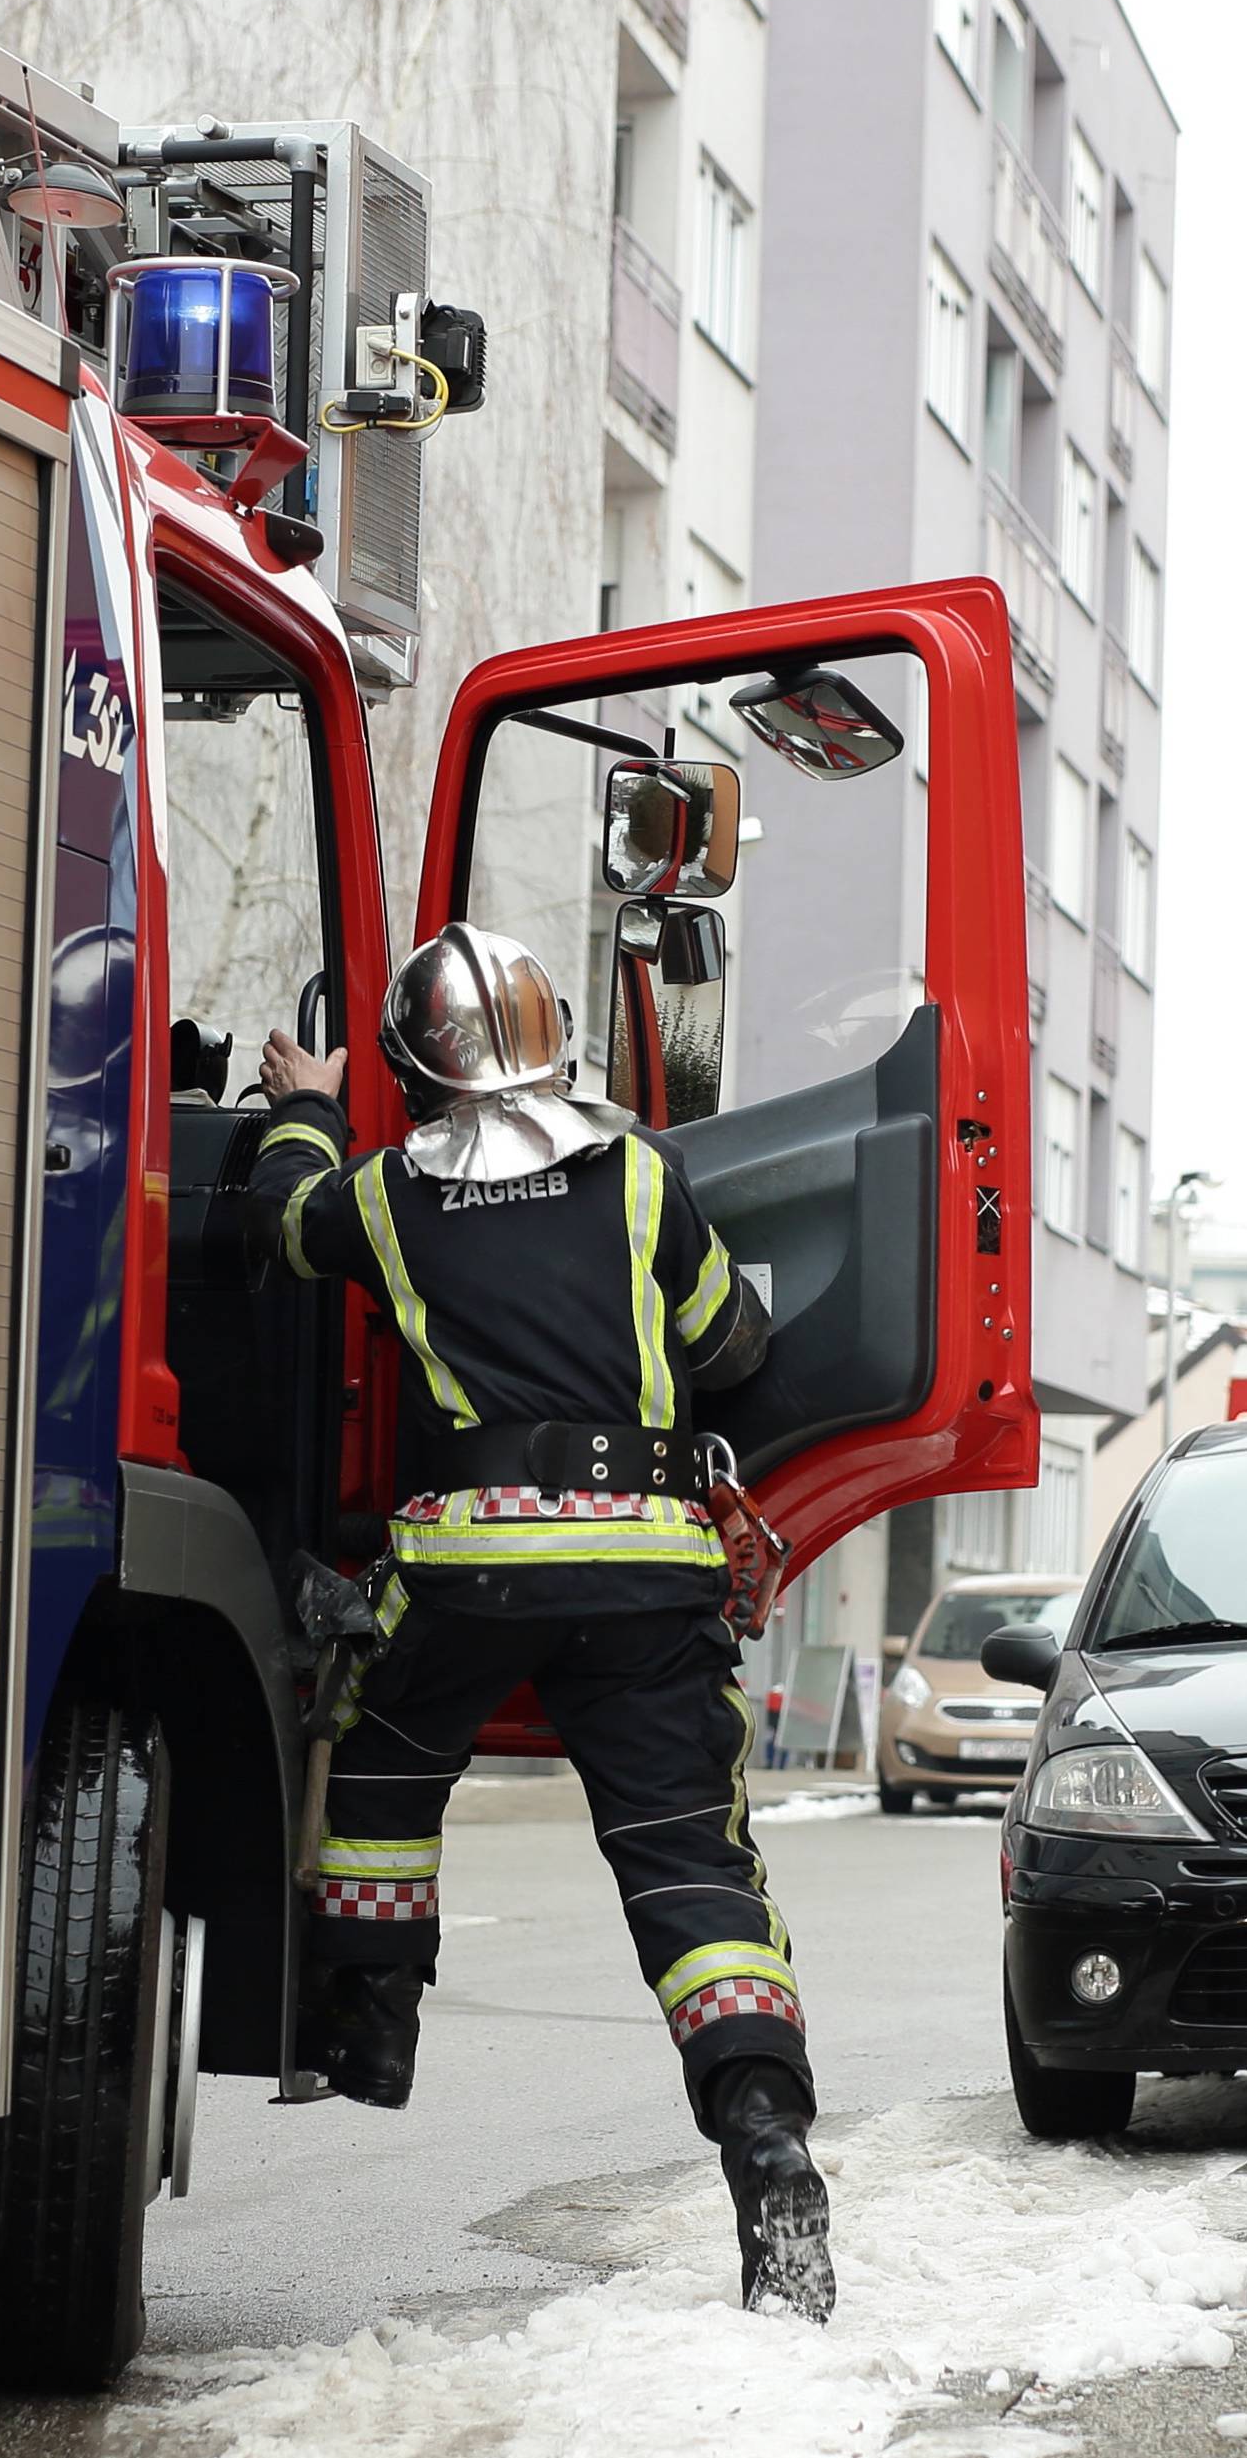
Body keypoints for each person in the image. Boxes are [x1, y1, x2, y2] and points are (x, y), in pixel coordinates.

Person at [250, 920, 833, 2322]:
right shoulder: (641, 1176)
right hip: (646, 1574)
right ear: (558, 1037)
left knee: (381, 1758)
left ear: (416, 1063)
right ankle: (769, 2152)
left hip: (466, 1574)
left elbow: (286, 1218)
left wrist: (306, 1109)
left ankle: (373, 2022)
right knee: (693, 1873)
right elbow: (725, 1342)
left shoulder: (388, 1196)